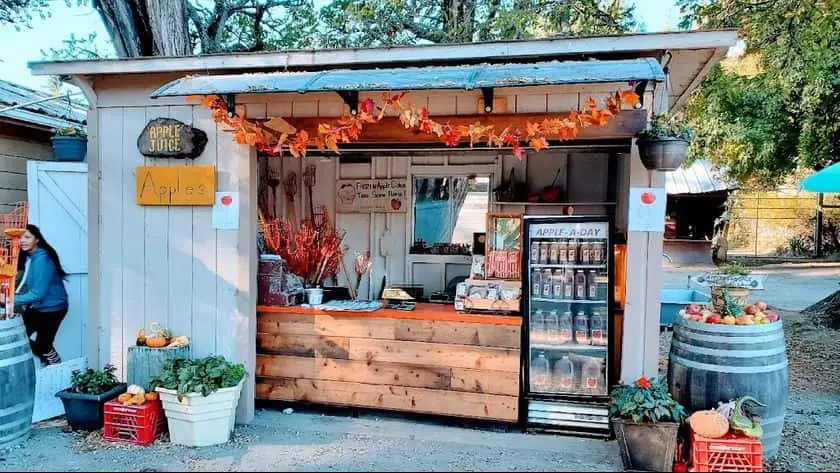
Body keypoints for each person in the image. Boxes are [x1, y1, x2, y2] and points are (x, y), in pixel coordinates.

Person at [9, 225, 69, 366]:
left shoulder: (42, 259)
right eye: (20, 237)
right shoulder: (30, 257)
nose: (22, 241)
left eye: (27, 237)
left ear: (37, 239)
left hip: (53, 308)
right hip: (38, 307)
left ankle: (55, 364)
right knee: (18, 336)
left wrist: (10, 300)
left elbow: (37, 294)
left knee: (43, 345)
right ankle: (47, 360)